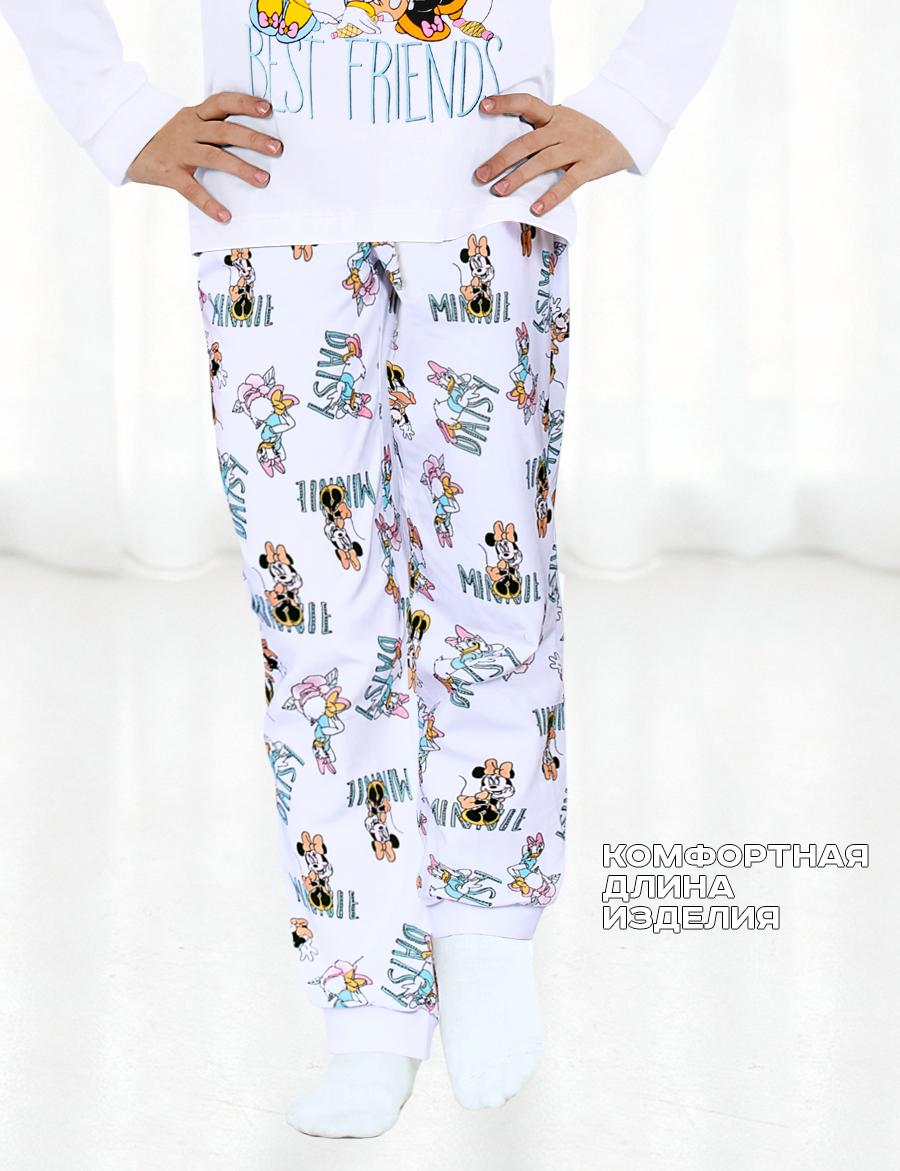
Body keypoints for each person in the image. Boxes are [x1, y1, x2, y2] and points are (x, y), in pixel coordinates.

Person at [1, 0, 737, 1140]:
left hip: (486, 202)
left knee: (492, 592)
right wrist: (114, 113)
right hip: (269, 216)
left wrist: (633, 104)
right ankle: (368, 1001)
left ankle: (483, 927)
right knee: (317, 632)